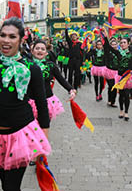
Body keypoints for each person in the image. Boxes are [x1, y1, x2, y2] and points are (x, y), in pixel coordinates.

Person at [0, 17, 51, 190]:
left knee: (11, 188)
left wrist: (42, 144)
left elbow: (42, 105)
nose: (6, 40)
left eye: (12, 36)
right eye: (3, 35)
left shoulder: (31, 68)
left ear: (21, 40)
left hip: (18, 138)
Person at [29, 39, 76, 120]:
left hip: (47, 100)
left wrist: (71, 89)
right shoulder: (27, 65)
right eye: (37, 48)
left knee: (45, 126)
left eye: (42, 49)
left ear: (46, 53)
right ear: (32, 51)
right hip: (31, 101)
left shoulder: (51, 66)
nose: (40, 51)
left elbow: (61, 79)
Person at [104, 30, 132, 121]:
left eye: (124, 42)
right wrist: (106, 37)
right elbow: (109, 48)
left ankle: (126, 112)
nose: (122, 44)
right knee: (121, 95)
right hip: (120, 76)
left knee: (127, 95)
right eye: (121, 43)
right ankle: (121, 110)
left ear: (128, 44)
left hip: (128, 77)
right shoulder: (118, 53)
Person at [65, 24, 83, 90]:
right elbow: (67, 37)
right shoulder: (70, 43)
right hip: (71, 60)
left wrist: (82, 61)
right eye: (72, 36)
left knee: (77, 74)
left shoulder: (79, 43)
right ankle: (69, 87)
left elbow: (83, 52)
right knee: (70, 73)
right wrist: (66, 29)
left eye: (75, 35)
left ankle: (75, 87)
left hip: (78, 60)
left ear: (77, 37)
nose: (74, 37)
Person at [103, 37, 118, 107]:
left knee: (114, 87)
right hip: (109, 71)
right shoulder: (108, 52)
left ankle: (113, 101)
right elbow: (105, 46)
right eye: (112, 44)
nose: (114, 46)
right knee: (111, 86)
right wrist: (105, 37)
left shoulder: (119, 52)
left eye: (115, 44)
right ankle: (110, 100)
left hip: (117, 72)